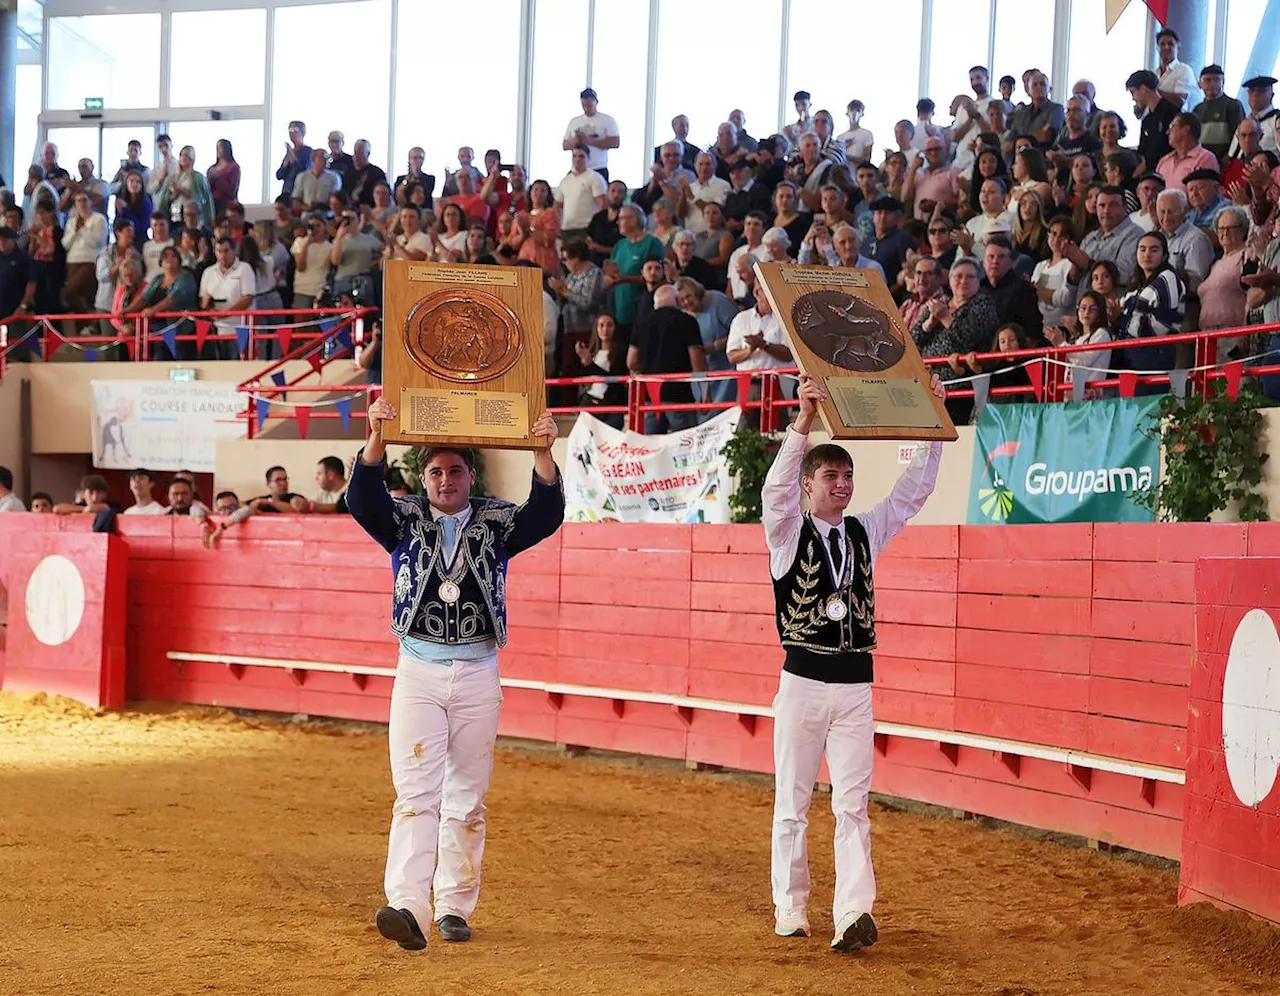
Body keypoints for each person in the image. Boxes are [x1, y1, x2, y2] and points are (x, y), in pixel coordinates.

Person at [348, 394, 563, 952]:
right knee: (416, 793)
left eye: (456, 470)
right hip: (418, 670)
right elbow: (362, 499)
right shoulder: (403, 516)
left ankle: (454, 906)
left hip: (476, 673)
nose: (446, 480)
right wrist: (378, 433)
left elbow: (545, 515)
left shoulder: (495, 520)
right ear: (423, 479)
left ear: (471, 476)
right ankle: (408, 906)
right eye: (436, 471)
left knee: (466, 795)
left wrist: (542, 453)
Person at [762, 371, 943, 952]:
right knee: (792, 804)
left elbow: (911, 494)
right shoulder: (787, 534)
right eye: (830, 475)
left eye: (847, 476)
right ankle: (790, 907)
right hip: (803, 679)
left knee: (852, 806)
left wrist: (934, 426)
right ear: (809, 483)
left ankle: (852, 913)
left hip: (855, 685)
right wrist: (803, 424)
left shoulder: (865, 532)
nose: (841, 484)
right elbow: (774, 495)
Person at [628, 284, 707, 433]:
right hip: (678, 395)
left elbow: (631, 361)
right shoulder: (687, 321)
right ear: (677, 300)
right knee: (684, 446)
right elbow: (698, 362)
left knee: (651, 447)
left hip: (649, 396)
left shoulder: (641, 324)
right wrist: (704, 392)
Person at [1116, 231, 1185, 388]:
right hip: (1132, 355)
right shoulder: (1138, 284)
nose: (1147, 254)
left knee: (1148, 405)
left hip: (1154, 355)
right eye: (1142, 249)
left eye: (1154, 250)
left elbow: (1161, 326)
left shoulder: (1168, 278)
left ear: (1165, 255)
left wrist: (1120, 318)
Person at [572, 311, 628, 429]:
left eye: (609, 325)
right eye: (601, 325)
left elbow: (613, 378)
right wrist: (584, 362)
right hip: (590, 403)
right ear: (596, 328)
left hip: (611, 406)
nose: (605, 329)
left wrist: (589, 364)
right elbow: (584, 381)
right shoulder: (592, 352)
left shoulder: (621, 353)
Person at [563, 87, 619, 181]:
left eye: (589, 105)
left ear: (596, 102)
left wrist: (590, 141)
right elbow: (565, 145)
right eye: (584, 105)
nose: (586, 108)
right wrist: (576, 141)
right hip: (577, 168)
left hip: (598, 167)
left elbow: (615, 142)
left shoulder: (607, 120)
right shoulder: (574, 122)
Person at [1193, 65, 1245, 162]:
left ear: (1223, 82)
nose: (1212, 84)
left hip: (1225, 163)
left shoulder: (1233, 105)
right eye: (1207, 80)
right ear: (1199, 84)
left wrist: (1229, 156)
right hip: (1201, 161)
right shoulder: (1197, 109)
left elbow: (1239, 135)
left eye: (1217, 80)